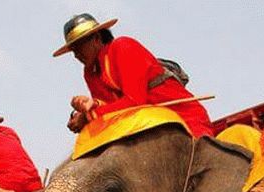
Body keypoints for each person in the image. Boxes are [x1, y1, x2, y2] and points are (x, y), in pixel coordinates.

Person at [53, 13, 213, 138]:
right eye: (73, 50)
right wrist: (88, 107)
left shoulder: (123, 47)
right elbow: (109, 111)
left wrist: (90, 116)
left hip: (183, 121)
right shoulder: (90, 73)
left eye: (80, 47)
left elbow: (134, 102)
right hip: (145, 130)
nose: (76, 55)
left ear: (96, 38)